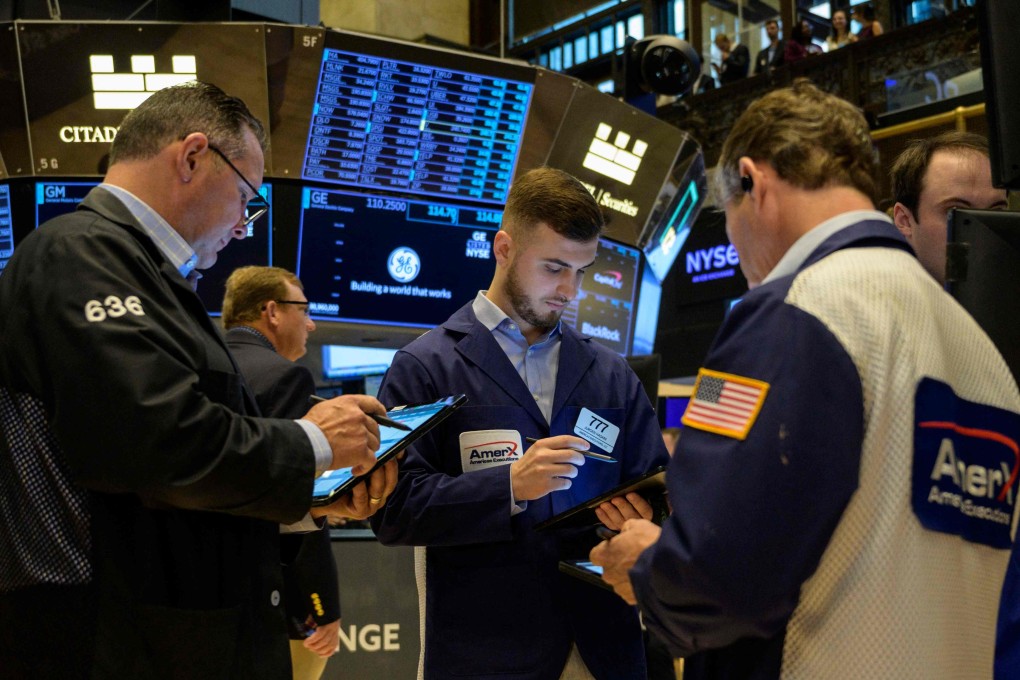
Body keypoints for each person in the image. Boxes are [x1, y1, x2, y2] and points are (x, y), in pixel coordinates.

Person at [591, 79, 1020, 679]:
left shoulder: (788, 314)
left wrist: (646, 566)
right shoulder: (983, 353)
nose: (735, 245)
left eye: (727, 217)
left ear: (753, 182)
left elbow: (720, 573)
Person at [0, 81, 393, 679]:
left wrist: (311, 505)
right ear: (191, 157)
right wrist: (313, 442)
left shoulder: (143, 271)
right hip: (118, 643)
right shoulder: (82, 253)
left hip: (169, 637)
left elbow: (171, 490)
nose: (244, 226)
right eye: (246, 197)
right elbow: (157, 444)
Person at [370, 166, 670, 679]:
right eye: (554, 267)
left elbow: (657, 489)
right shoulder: (425, 366)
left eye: (582, 271)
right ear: (504, 247)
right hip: (486, 653)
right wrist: (508, 485)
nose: (569, 291)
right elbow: (393, 509)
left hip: (604, 651)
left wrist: (644, 515)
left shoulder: (612, 373)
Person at [221, 265, 398, 680]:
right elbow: (290, 498)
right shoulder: (283, 377)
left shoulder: (203, 363)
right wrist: (320, 607)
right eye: (304, 309)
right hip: (273, 608)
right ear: (272, 311)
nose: (312, 323)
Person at [891, 131, 1009, 284]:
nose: (982, 235)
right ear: (904, 220)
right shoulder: (876, 301)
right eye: (956, 212)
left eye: (997, 212)